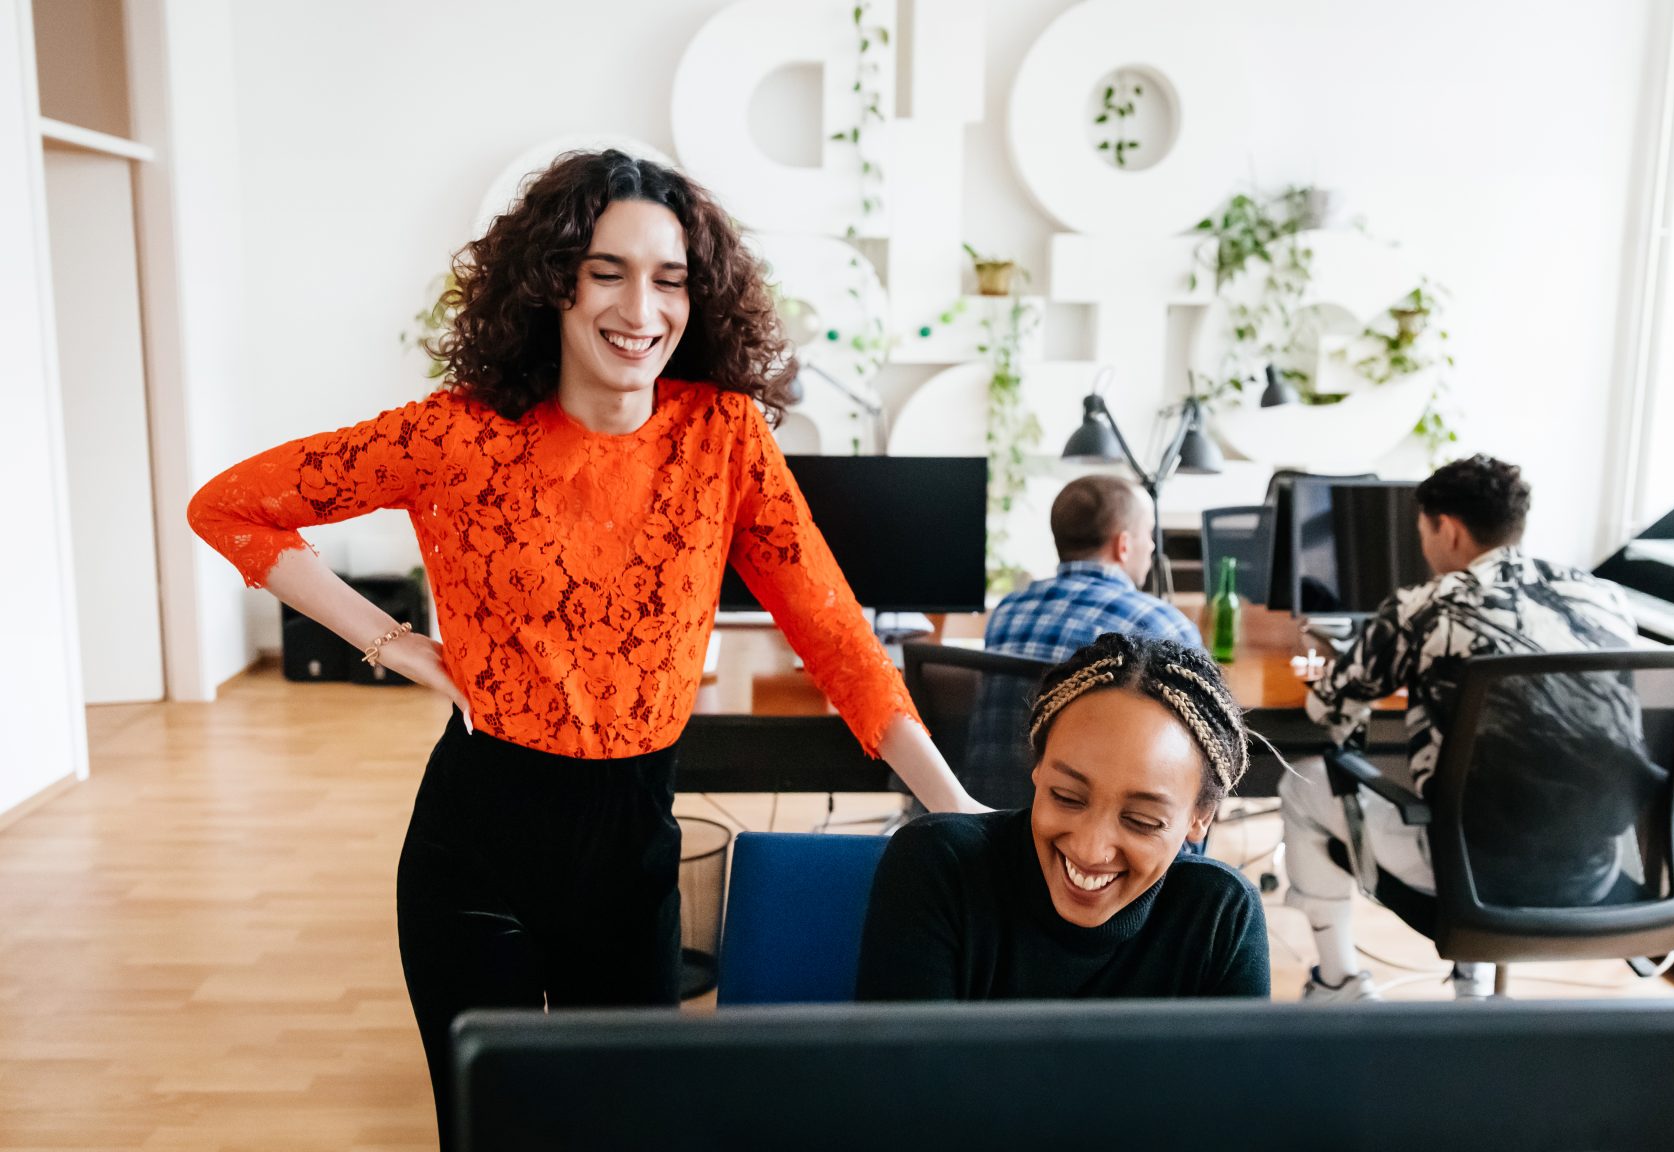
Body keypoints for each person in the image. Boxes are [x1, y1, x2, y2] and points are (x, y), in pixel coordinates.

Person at [187, 150, 983, 1147]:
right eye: (607, 269)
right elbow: (231, 509)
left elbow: (832, 632)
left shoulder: (724, 436)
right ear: (555, 279)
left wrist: (954, 807)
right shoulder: (461, 435)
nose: (640, 306)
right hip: (476, 854)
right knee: (493, 1132)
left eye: (670, 277)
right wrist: (393, 643)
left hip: (635, 859)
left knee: (630, 1127)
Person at [1279, 455, 1638, 1002]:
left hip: (1466, 872)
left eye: (1423, 531)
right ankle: (1472, 981)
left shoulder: (1429, 607)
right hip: (1594, 868)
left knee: (1302, 783)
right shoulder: (1604, 599)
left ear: (1446, 527)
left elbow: (1328, 711)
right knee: (1492, 783)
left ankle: (1338, 983)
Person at [857, 633, 1270, 1000]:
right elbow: (901, 1082)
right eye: (1067, 797)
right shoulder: (939, 867)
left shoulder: (1219, 917)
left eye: (1142, 820)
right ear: (1039, 767)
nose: (1091, 849)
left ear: (1200, 817)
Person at [985, 475, 1202, 663]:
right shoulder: (1163, 627)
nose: (1152, 545)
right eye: (1149, 533)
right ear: (1123, 546)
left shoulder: (1007, 611)